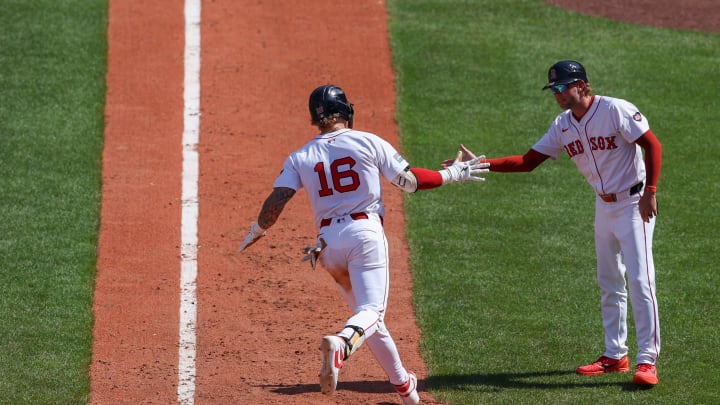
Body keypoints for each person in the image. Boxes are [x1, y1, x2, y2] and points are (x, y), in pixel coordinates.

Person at [238, 84, 489, 404]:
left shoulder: (299, 156)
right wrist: (455, 173)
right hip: (364, 235)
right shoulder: (367, 141)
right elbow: (410, 182)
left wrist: (259, 228)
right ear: (344, 111)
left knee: (368, 318)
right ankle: (342, 345)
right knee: (370, 312)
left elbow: (278, 199)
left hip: (327, 245)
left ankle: (406, 389)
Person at [454, 60, 662, 385]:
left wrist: (650, 191)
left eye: (563, 87)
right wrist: (481, 164)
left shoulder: (614, 110)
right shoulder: (563, 125)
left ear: (581, 85)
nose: (558, 94)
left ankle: (647, 361)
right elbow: (527, 162)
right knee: (609, 281)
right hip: (603, 206)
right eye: (554, 89)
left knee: (640, 280)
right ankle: (615, 355)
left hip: (635, 202)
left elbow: (652, 144)